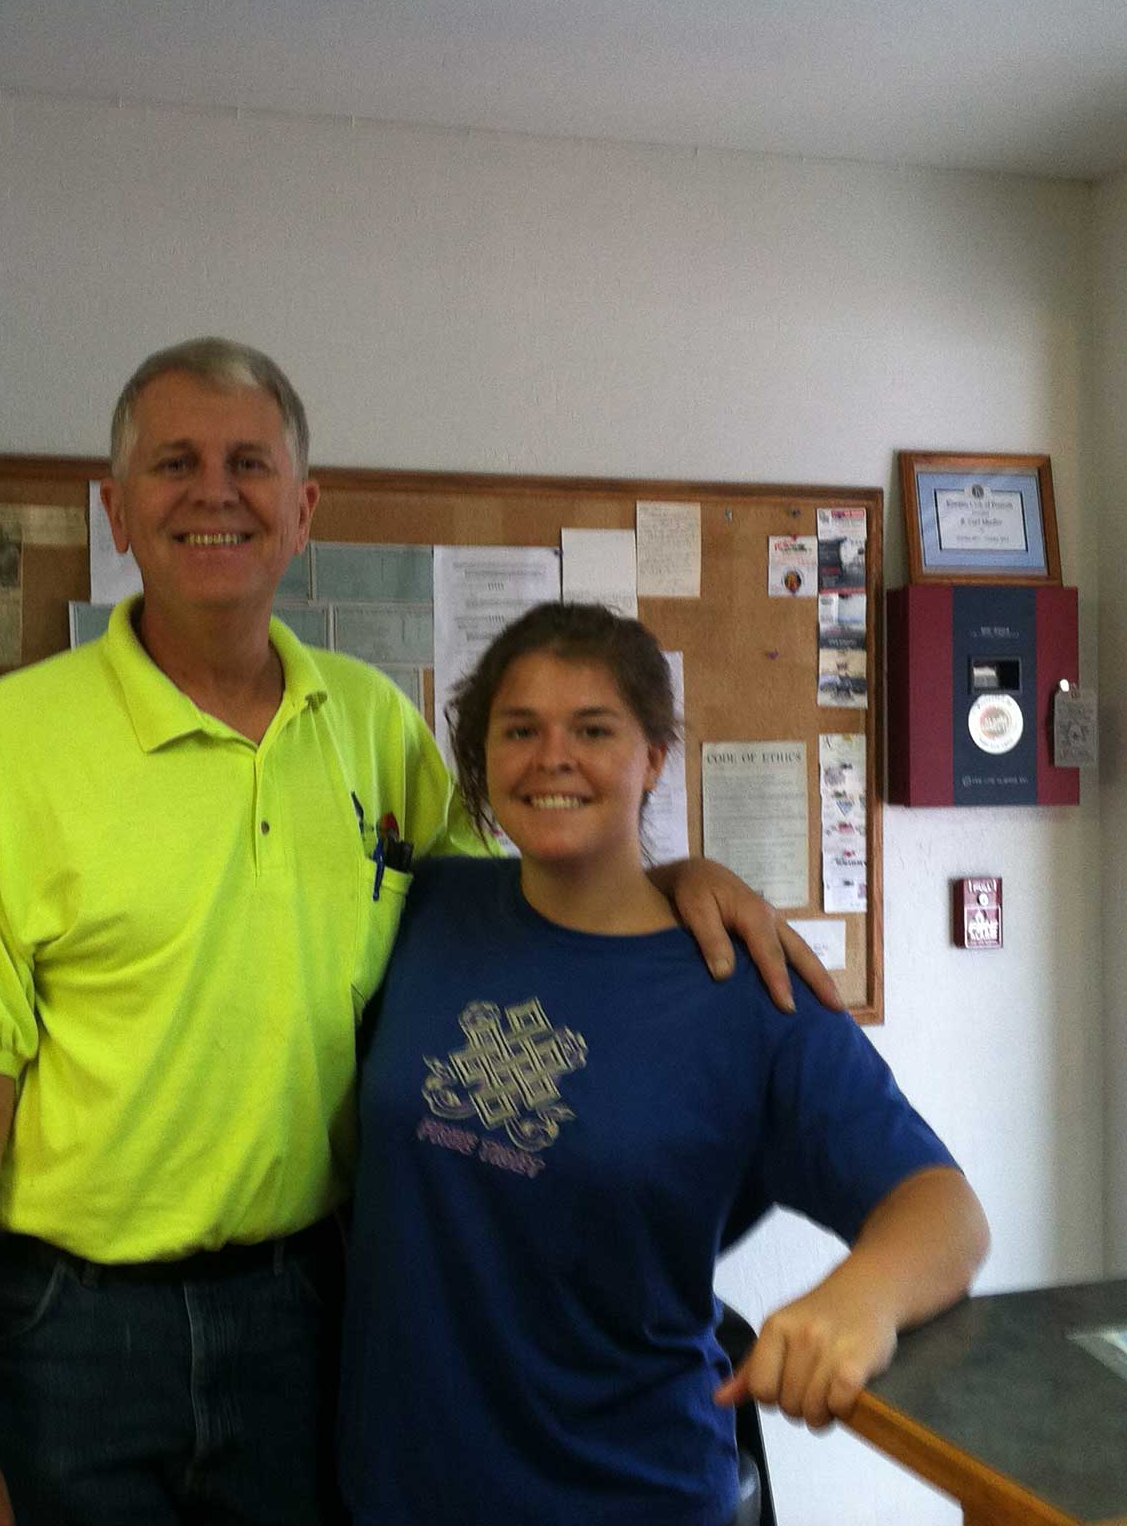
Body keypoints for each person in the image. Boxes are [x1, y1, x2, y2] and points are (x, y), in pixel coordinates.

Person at [0, 338, 840, 1526]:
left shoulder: (370, 725)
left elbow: (519, 915)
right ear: (119, 510)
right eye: (173, 463)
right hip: (73, 1337)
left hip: (309, 1313)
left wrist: (674, 868)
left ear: (301, 509)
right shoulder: (9, 742)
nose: (213, 491)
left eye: (248, 463)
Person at [339, 603, 990, 1526]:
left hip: (628, 1492)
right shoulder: (427, 909)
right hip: (400, 1493)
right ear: (481, 758)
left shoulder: (745, 986)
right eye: (519, 730)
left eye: (593, 730)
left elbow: (944, 1211)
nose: (552, 756)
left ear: (653, 757)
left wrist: (862, 1301)